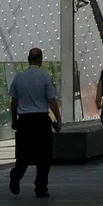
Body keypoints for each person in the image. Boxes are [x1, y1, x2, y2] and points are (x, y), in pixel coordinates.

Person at [8, 47, 61, 198]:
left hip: (24, 120)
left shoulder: (19, 77)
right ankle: (41, 188)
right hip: (41, 120)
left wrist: (14, 120)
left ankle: (16, 174)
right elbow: (51, 101)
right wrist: (58, 119)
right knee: (45, 155)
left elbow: (14, 102)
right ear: (41, 59)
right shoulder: (45, 77)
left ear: (28, 59)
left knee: (23, 154)